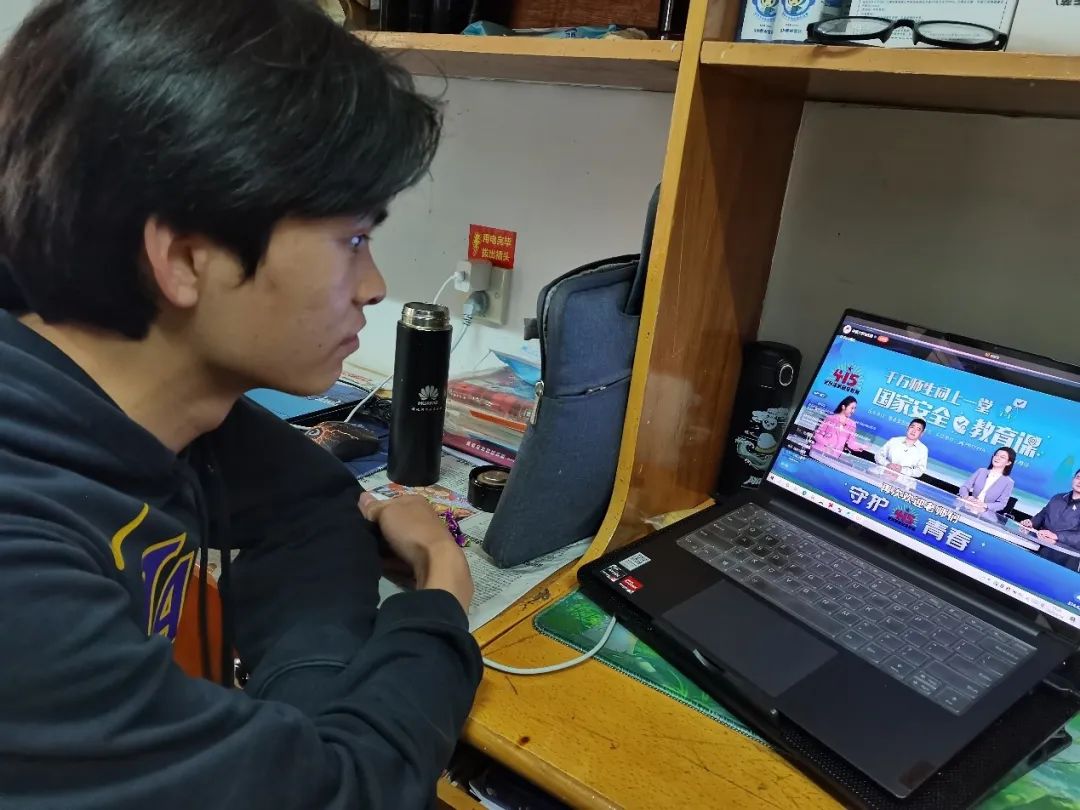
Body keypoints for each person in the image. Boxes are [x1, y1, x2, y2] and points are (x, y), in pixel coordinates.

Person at [0, 2, 481, 808]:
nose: (373, 286)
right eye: (353, 240)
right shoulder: (22, 584)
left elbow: (312, 510)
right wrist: (438, 600)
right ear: (186, 259)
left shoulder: (131, 396)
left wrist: (307, 713)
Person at [1021, 469, 1080, 572]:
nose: (1079, 482)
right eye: (1078, 477)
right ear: (1073, 479)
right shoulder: (1058, 498)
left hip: (1064, 556)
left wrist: (1057, 536)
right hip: (1038, 545)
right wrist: (1031, 523)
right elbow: (1043, 514)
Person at [958, 447, 1017, 515]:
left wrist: (985, 505)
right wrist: (967, 497)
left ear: (1008, 463)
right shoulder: (981, 471)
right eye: (996, 455)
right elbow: (964, 487)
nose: (997, 458)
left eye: (1002, 457)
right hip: (968, 506)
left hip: (986, 513)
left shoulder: (1009, 482)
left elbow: (1001, 504)